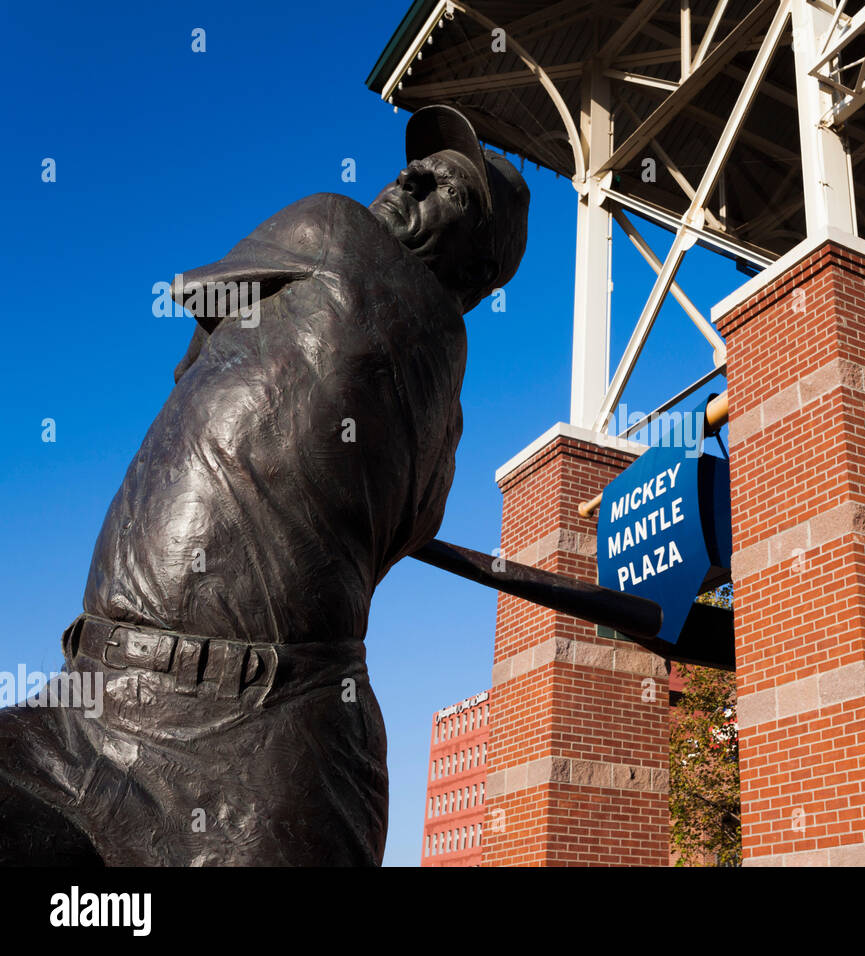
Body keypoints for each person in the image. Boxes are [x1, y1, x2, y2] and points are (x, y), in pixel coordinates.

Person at [0, 106, 529, 865]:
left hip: (267, 731)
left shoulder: (335, 229)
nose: (410, 176)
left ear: (479, 266)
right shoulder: (439, 397)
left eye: (451, 190)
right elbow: (204, 352)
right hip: (96, 704)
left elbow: (200, 345)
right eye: (421, 167)